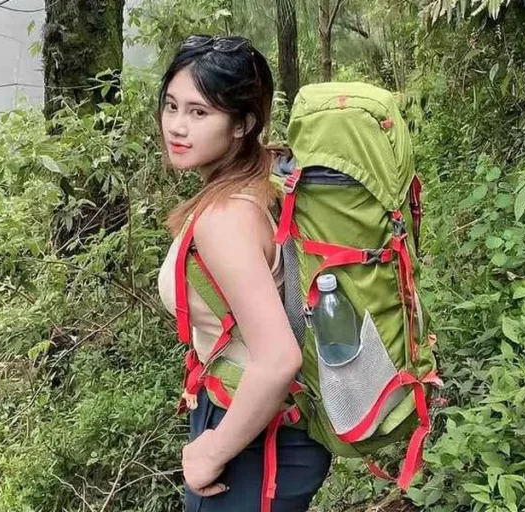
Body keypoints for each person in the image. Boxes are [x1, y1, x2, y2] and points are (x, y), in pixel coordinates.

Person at [155, 35, 332, 511]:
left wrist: (211, 452)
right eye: (172, 106)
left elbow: (277, 359)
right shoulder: (267, 174)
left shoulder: (226, 218)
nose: (177, 126)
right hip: (269, 427)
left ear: (243, 123)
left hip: (255, 437)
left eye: (199, 112)